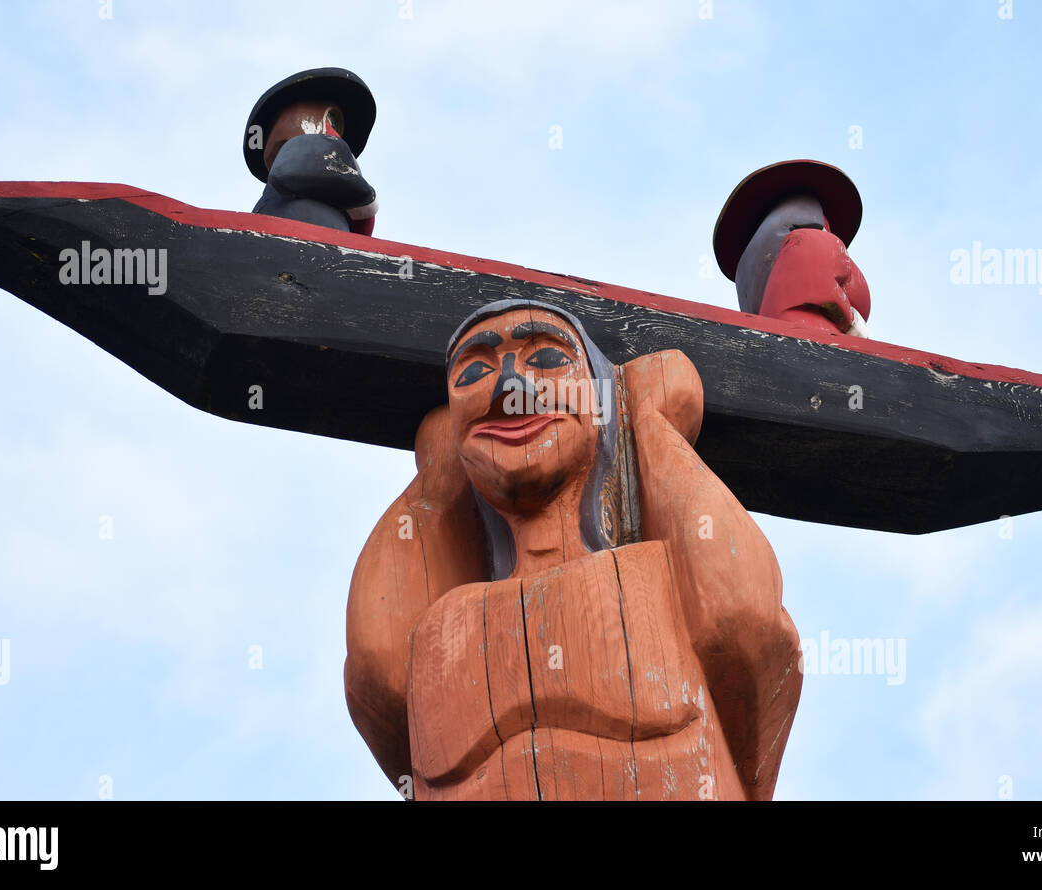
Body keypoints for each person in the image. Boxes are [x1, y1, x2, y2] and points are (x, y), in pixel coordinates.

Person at [344, 299, 803, 800]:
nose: (508, 390)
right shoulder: (440, 630)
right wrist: (438, 479)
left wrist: (649, 422)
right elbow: (377, 673)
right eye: (473, 372)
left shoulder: (657, 581)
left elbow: (745, 619)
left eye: (546, 360)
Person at [714, 160, 871, 337]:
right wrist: (851, 321)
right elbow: (821, 286)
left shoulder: (750, 268)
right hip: (811, 339)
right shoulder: (811, 242)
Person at [243, 68, 378, 234]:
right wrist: (367, 197)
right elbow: (287, 172)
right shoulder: (304, 148)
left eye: (335, 124)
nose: (335, 134)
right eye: (331, 121)